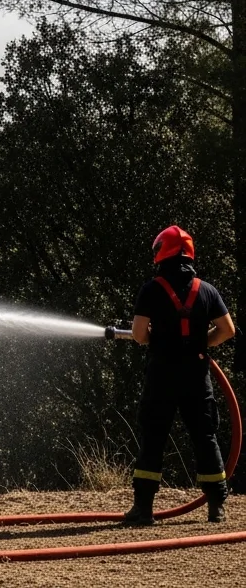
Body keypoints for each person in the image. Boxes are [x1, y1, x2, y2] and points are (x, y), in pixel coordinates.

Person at [123, 225, 236, 527]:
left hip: (162, 374)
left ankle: (143, 510)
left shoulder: (151, 289)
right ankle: (217, 508)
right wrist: (202, 344)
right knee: (205, 436)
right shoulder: (208, 290)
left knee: (154, 438)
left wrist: (152, 338)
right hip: (197, 375)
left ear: (161, 251)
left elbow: (138, 334)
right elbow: (227, 330)